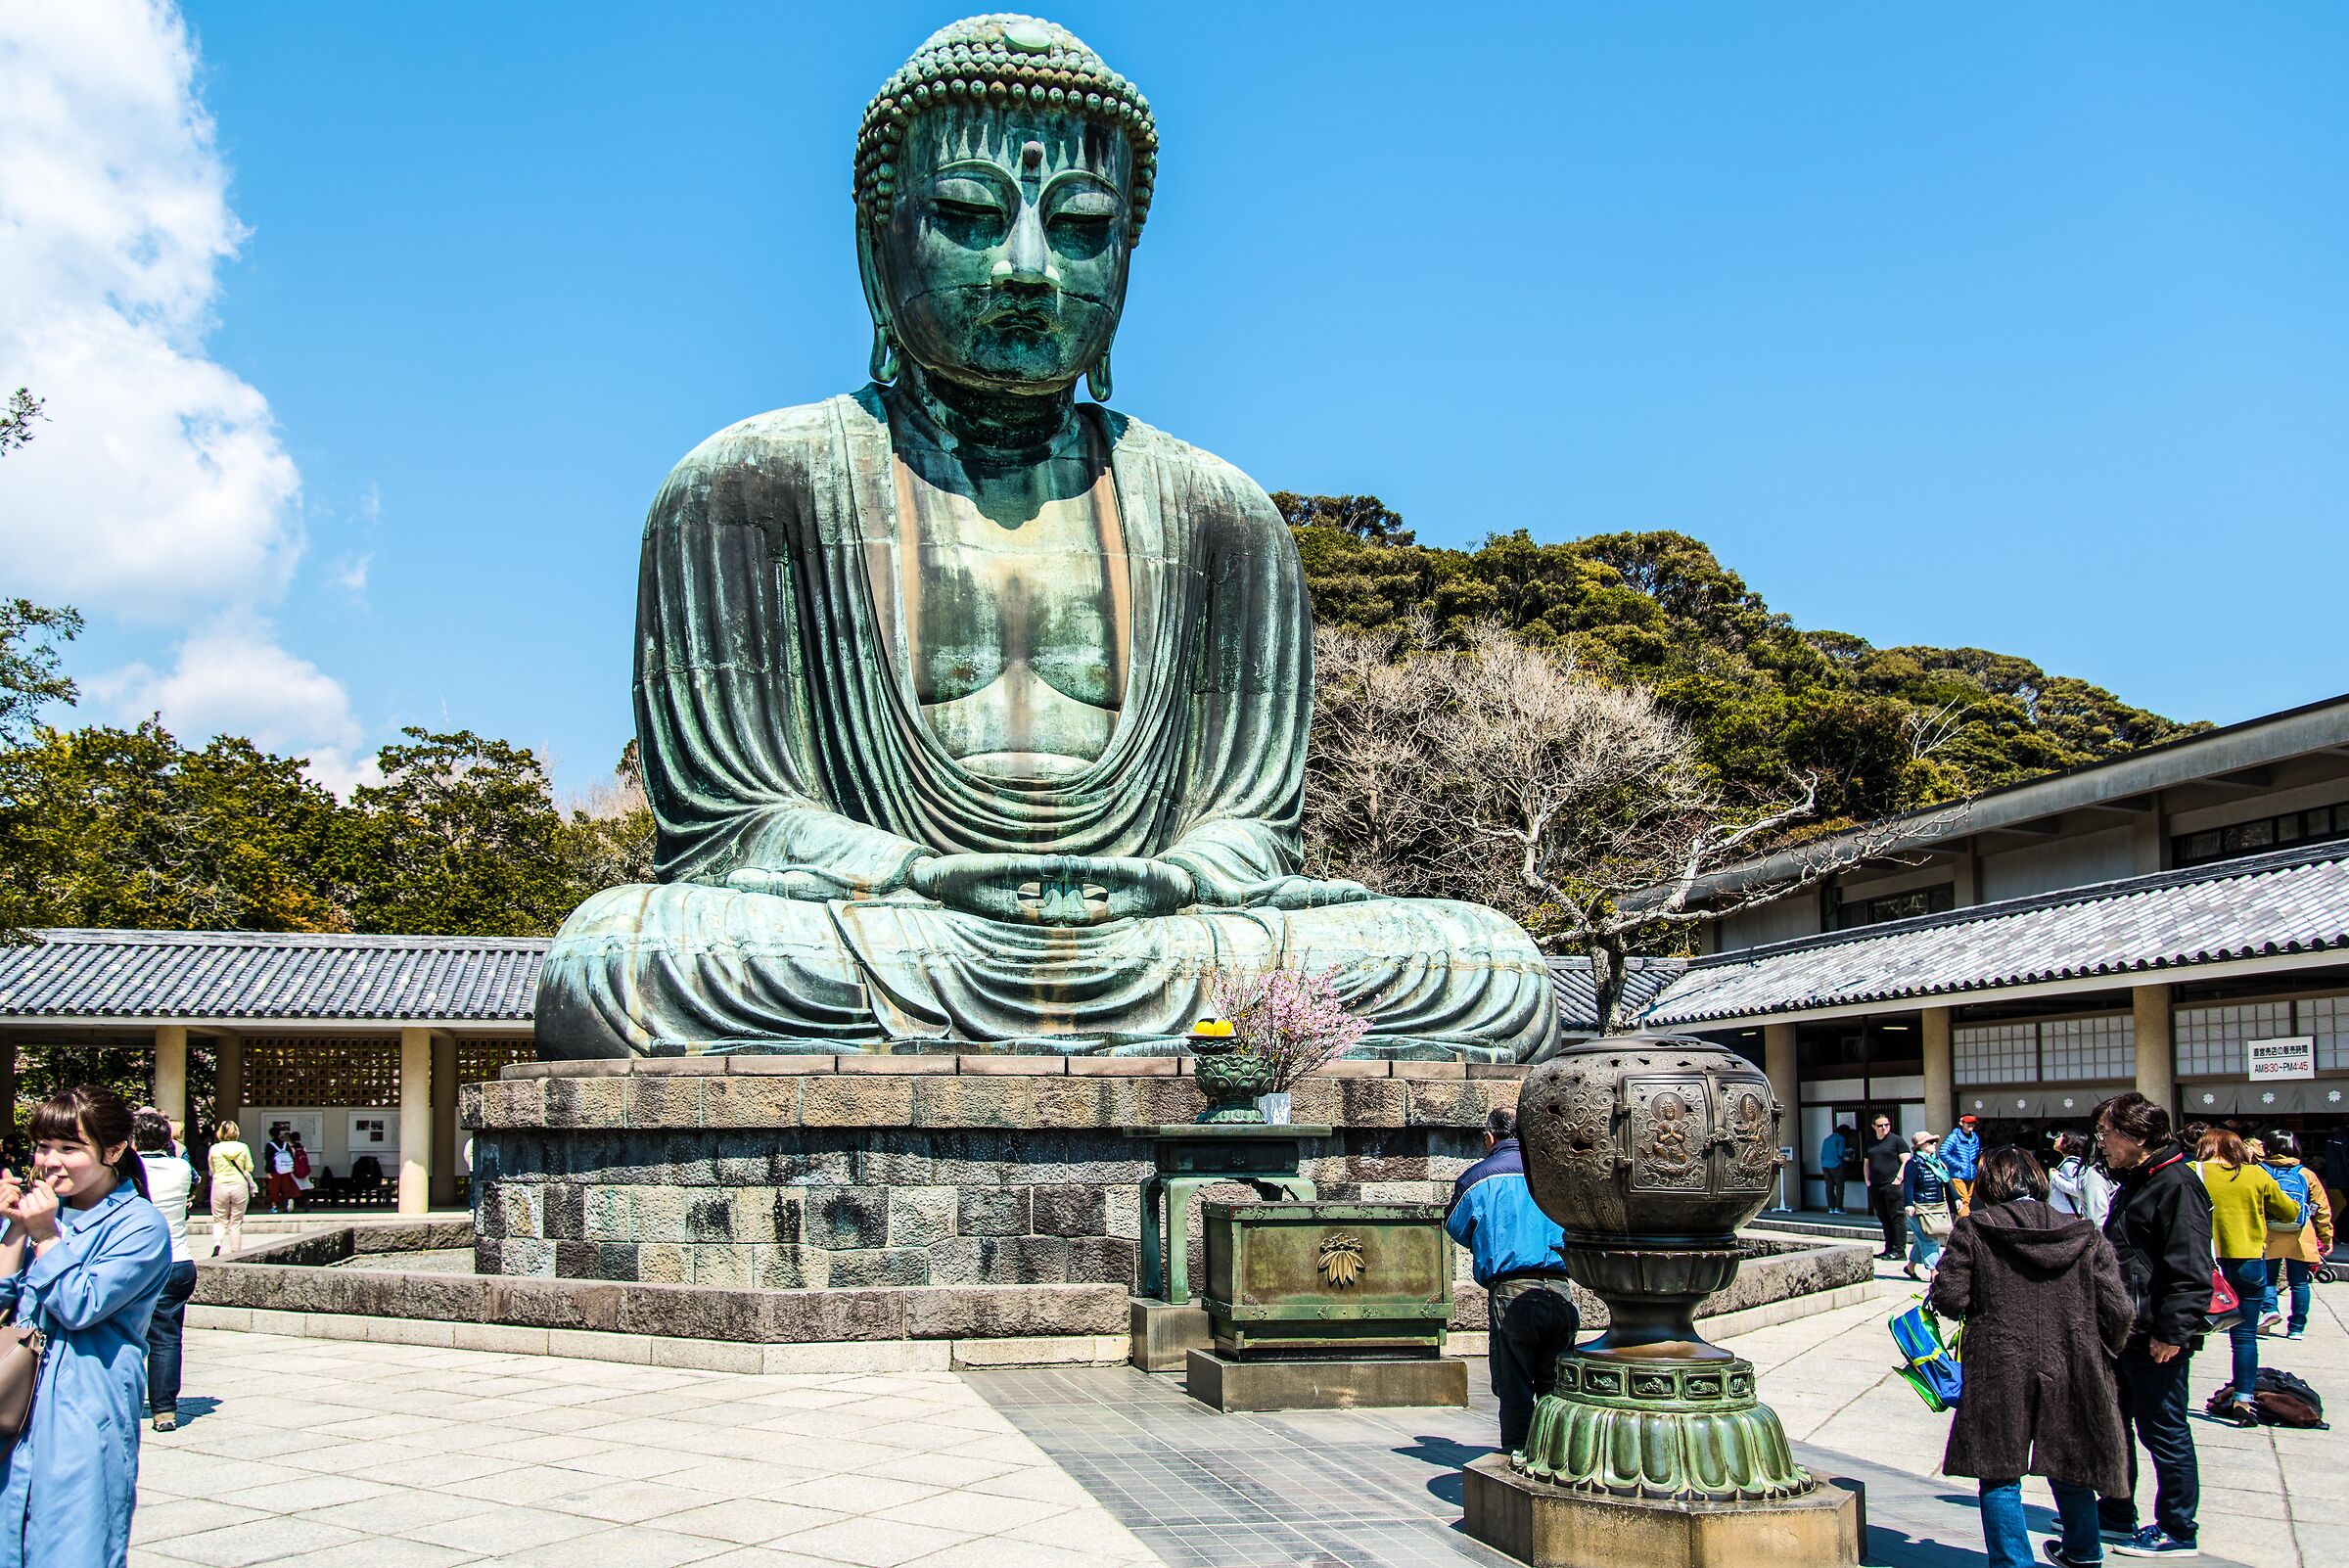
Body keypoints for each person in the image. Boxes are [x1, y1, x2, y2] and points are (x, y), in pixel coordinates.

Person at [1930, 1146, 2132, 1568]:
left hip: (1999, 1361)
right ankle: (2083, 1551)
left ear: (1989, 1185)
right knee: (2070, 1458)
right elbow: (2119, 1309)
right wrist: (2102, 1350)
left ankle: (2013, 1563)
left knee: (2000, 1471)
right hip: (2071, 1359)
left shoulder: (1975, 1230)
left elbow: (1950, 1299)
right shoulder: (2084, 1232)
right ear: (2038, 1181)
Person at [0, 1084, 175, 1568]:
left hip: (81, 1407)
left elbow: (80, 1306)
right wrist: (15, 1228)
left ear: (114, 1150)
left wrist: (45, 1236)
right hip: (12, 1407)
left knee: (72, 1548)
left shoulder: (139, 1226)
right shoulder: (41, 1217)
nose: (50, 1160)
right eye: (43, 1146)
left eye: (70, 1148)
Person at [2095, 1091, 2214, 1558]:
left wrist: (2173, 1332)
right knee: (2114, 1425)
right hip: (2121, 1328)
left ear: (2138, 1136)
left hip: (2153, 1335)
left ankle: (2178, 1528)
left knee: (2163, 1431)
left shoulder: (2176, 1184)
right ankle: (2117, 1512)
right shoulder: (2137, 1179)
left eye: (2108, 1133)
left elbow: (2190, 1267)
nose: (2101, 1142)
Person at [1446, 1108, 1579, 1453]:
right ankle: (1555, 1456)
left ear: (1490, 1138)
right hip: (1561, 1291)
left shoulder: (1477, 1178)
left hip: (1512, 1292)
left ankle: (1517, 1458)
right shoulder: (1554, 1173)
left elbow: (1457, 1226)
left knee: (1515, 1384)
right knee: (1556, 1384)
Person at [2194, 1129, 2298, 1425]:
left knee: (2184, 1334)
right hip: (2248, 1261)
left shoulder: (2191, 1172)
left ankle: (2173, 1399)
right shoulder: (2257, 1175)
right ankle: (2243, 1398)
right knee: (2244, 1337)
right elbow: (2289, 1212)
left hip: (2203, 1264)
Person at [129, 1111, 198, 1432]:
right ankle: (165, 1411)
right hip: (179, 1261)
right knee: (167, 1337)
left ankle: (124, 1401)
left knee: (125, 1335)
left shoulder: (129, 1172)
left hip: (138, 1263)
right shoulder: (182, 1168)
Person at [2259, 1131, 2332, 1342]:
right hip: (2300, 1234)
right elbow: (2321, 1209)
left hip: (2268, 1233)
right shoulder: (2306, 1174)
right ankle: (2297, 1328)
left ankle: (2270, 1310)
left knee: (2268, 1279)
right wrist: (2326, 1237)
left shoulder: (2260, 1172)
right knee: (2299, 1283)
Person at [1902, 1130, 1958, 1279]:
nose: (1934, 1145)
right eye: (1930, 1142)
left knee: (1923, 1238)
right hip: (1919, 1207)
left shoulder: (1937, 1163)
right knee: (1929, 1239)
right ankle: (1935, 1271)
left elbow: (1946, 1182)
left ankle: (1910, 1267)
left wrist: (1956, 1200)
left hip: (1936, 1206)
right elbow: (1908, 1185)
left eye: (1934, 1142)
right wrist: (1909, 1204)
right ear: (1921, 1146)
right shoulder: (1913, 1163)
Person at [205, 1120, 254, 1256]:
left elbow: (211, 1169)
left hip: (220, 1184)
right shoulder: (243, 1147)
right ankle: (235, 1252)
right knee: (236, 1222)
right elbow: (250, 1167)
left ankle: (217, 1243)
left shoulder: (214, 1148)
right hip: (239, 1185)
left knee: (219, 1220)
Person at [1865, 1114, 1911, 1261]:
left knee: (1896, 1217)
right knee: (1883, 1217)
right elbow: (1866, 1163)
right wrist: (1867, 1180)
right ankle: (1888, 1248)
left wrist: (1898, 1179)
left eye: (1886, 1125)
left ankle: (1899, 1250)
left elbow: (1906, 1161)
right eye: (1880, 1125)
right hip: (1876, 1186)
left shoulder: (1897, 1140)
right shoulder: (1870, 1142)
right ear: (1874, 1127)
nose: (1884, 1128)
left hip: (1893, 1185)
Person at [1940, 1113, 1983, 1215]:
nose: (1971, 1125)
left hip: (1972, 1174)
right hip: (1958, 1175)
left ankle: (1960, 1226)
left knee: (1967, 1201)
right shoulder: (1954, 1137)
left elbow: (1976, 1153)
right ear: (1961, 1123)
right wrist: (1958, 1165)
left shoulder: (1975, 1137)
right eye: (1968, 1123)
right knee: (1964, 1201)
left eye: (1973, 1123)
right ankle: (1966, 1226)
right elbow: (1943, 1152)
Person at [2049, 1131, 2091, 1217]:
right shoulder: (2074, 1163)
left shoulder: (2070, 1165)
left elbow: (2077, 1190)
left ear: (2069, 1142)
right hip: (2066, 1212)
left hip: (2067, 1214)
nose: (2055, 1139)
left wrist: (2054, 1177)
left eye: (2060, 1137)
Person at [261, 1125, 297, 1215]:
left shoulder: (270, 1145)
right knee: (286, 1187)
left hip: (275, 1170)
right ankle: (288, 1203)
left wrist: (268, 1171)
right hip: (286, 1169)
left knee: (274, 1189)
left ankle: (274, 1206)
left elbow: (268, 1159)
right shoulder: (286, 1145)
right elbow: (291, 1156)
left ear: (271, 1135)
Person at [1818, 1125, 1850, 1215]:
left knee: (1829, 1187)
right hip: (1836, 1164)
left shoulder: (1827, 1139)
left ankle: (1831, 1207)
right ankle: (1838, 1207)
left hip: (1825, 1165)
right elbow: (1840, 1153)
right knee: (1839, 1187)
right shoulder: (1841, 1138)